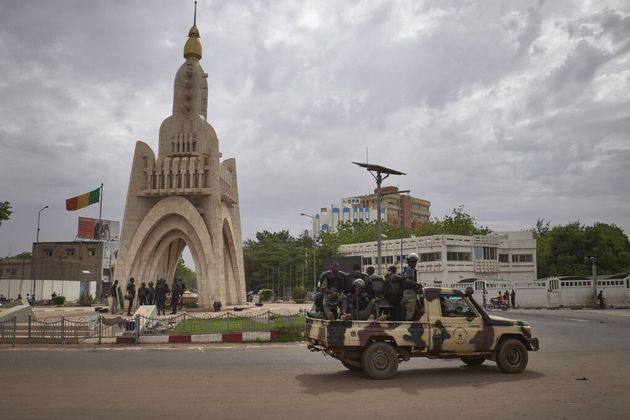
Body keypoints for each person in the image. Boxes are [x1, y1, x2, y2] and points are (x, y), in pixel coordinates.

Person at [401, 253, 422, 321]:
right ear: (409, 262)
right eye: (413, 261)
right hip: (410, 291)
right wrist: (417, 284)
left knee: (409, 307)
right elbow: (408, 280)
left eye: (415, 261)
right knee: (410, 307)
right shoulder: (410, 269)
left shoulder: (408, 269)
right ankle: (408, 322)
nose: (414, 263)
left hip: (408, 291)